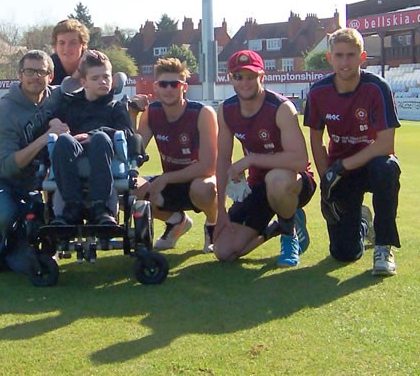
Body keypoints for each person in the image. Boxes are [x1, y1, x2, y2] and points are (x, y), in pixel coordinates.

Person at [303, 27, 401, 276]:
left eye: (350, 55)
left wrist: (342, 166)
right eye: (339, 55)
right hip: (341, 171)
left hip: (370, 164)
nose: (345, 62)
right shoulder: (318, 92)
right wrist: (327, 178)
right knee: (344, 253)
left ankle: (383, 246)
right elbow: (316, 139)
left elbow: (385, 144)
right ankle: (361, 222)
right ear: (329, 58)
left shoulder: (377, 88)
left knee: (387, 167)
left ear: (362, 57)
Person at [213, 50, 314, 267]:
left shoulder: (280, 107)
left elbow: (299, 160)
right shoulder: (226, 110)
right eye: (238, 77)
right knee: (224, 251)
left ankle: (289, 236)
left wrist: (251, 160)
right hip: (258, 186)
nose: (245, 83)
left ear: (262, 76)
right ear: (230, 78)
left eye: (251, 76)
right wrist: (220, 210)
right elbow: (222, 159)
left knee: (276, 180)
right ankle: (277, 228)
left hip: (293, 184)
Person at [0, 50, 67, 274]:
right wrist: (45, 138)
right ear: (19, 75)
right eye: (29, 71)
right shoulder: (5, 110)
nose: (35, 76)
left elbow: (87, 86)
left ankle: (19, 247)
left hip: (31, 184)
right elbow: (8, 164)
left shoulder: (55, 98)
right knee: (6, 215)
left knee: (44, 225)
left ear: (50, 76)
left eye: (41, 72)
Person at [133, 57, 218, 252]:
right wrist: (132, 114)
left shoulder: (202, 113)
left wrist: (166, 178)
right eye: (164, 84)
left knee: (203, 188)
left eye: (175, 84)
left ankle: (213, 224)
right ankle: (177, 222)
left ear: (184, 87)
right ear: (156, 87)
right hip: (170, 182)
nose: (169, 88)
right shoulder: (151, 112)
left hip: (200, 181)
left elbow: (208, 166)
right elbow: (133, 153)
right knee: (129, 189)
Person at [44, 50, 134, 225]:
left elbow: (128, 134)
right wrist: (52, 122)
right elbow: (47, 120)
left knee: (100, 138)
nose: (103, 81)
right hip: (73, 149)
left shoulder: (116, 107)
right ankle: (72, 207)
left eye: (106, 77)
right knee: (63, 141)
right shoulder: (70, 104)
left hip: (105, 151)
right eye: (96, 78)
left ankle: (101, 207)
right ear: (83, 82)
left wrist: (92, 134)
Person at [50, 18, 89, 86]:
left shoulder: (93, 64)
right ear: (55, 46)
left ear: (83, 45)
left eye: (73, 43)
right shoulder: (48, 67)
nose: (67, 48)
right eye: (62, 43)